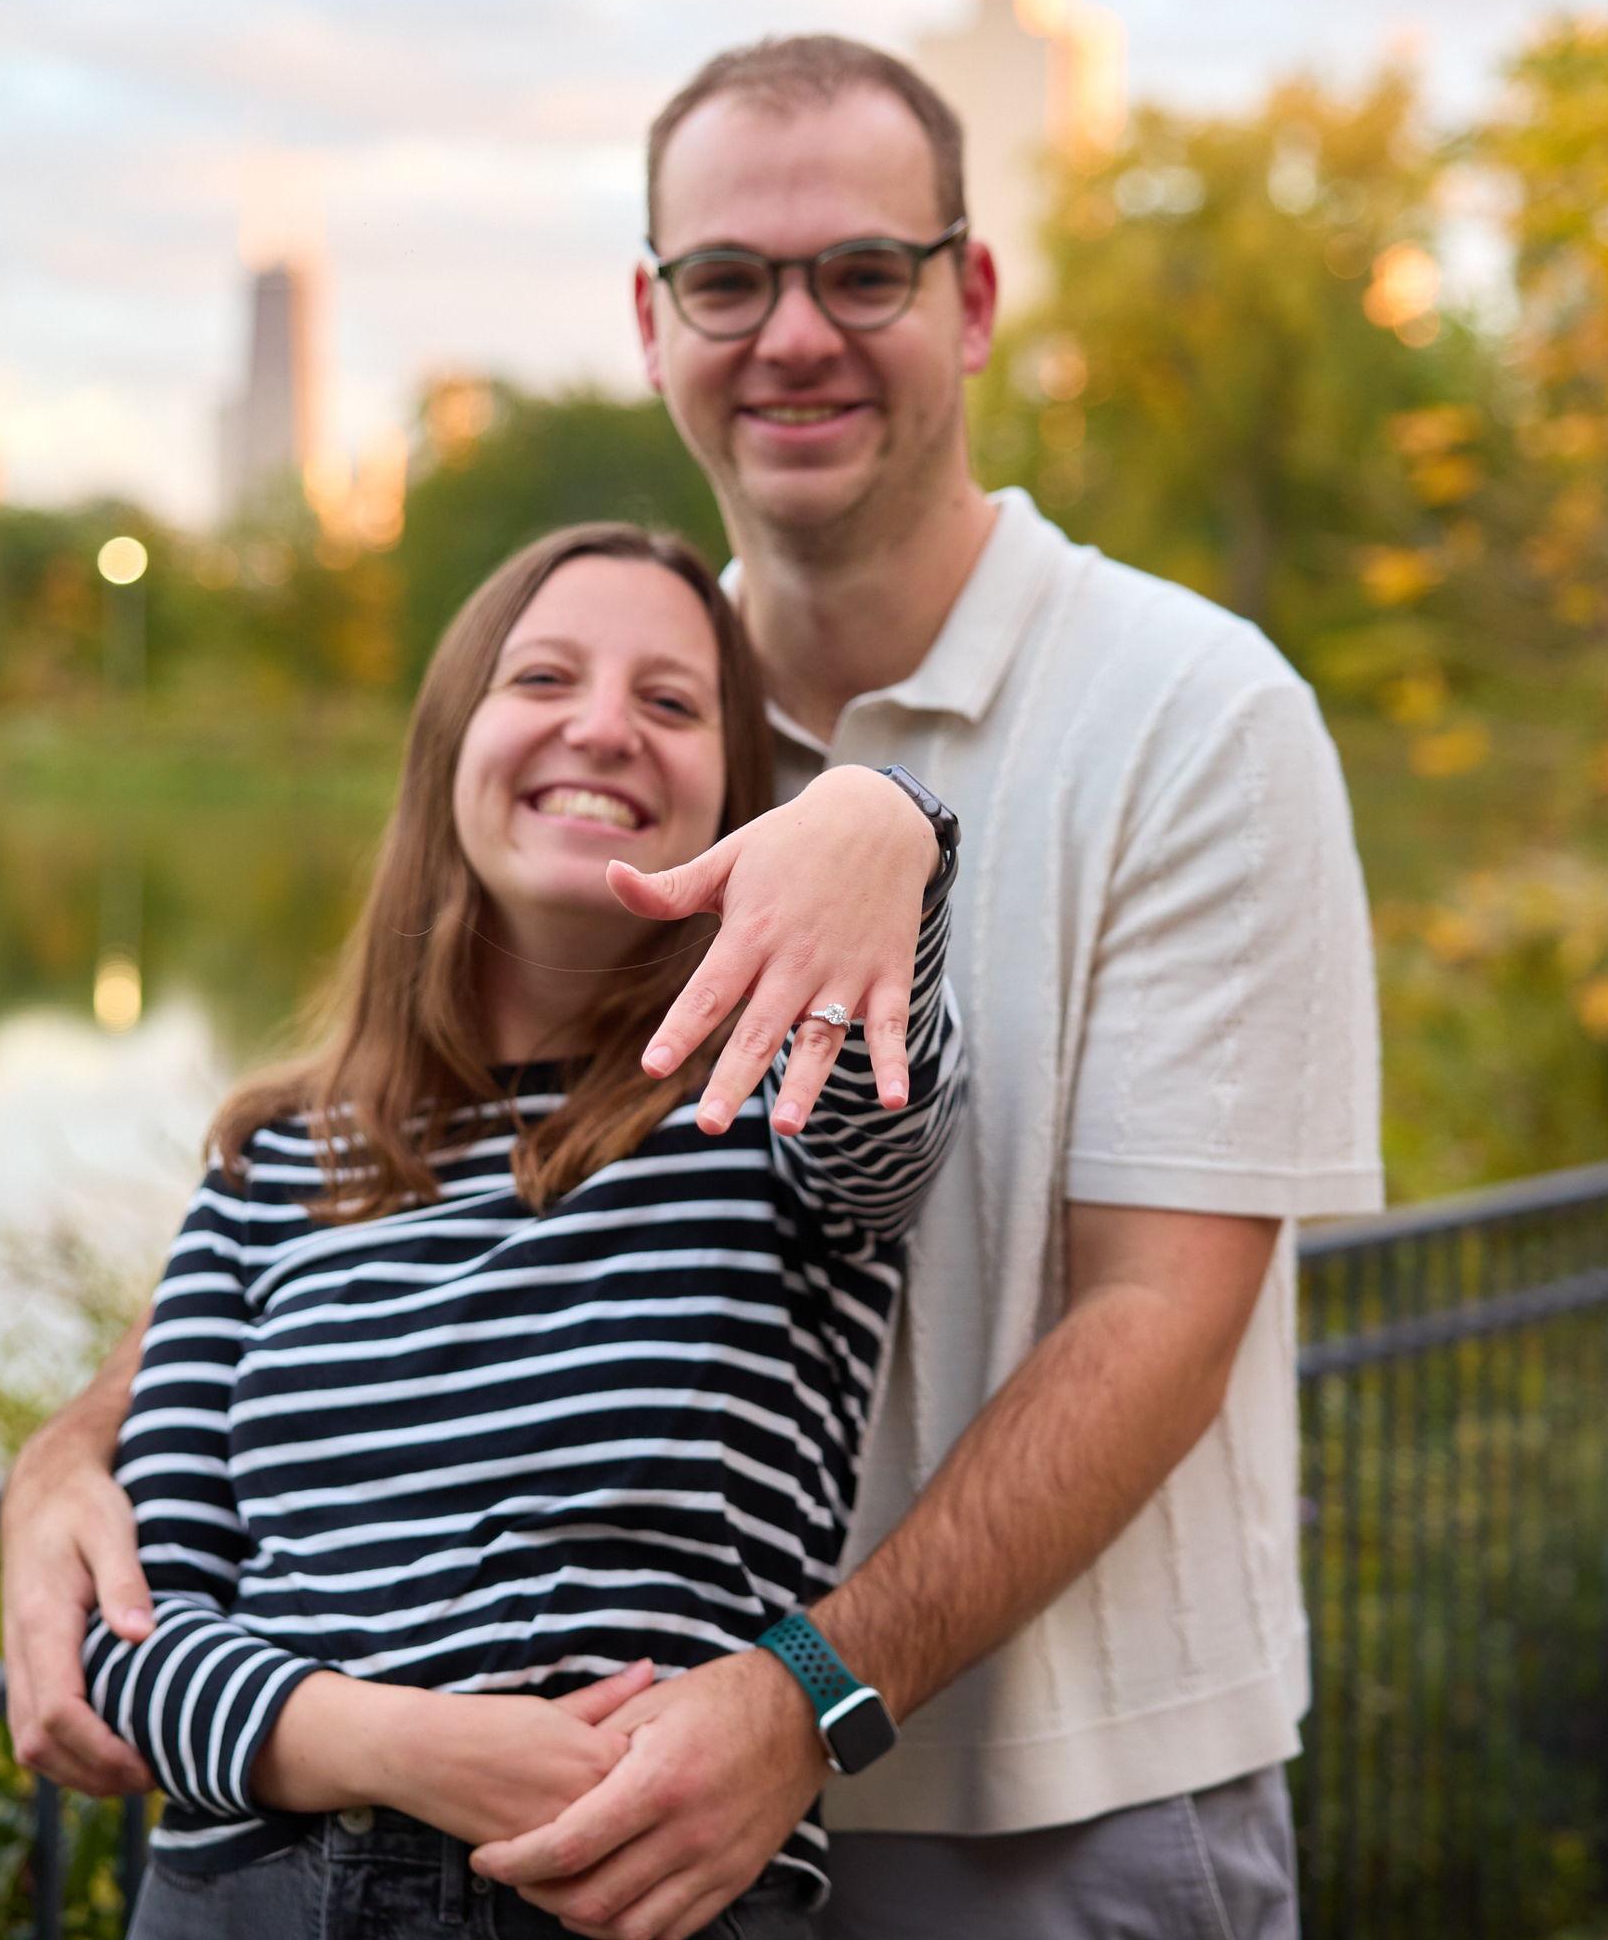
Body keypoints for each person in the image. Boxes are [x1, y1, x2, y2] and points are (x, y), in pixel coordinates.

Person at [5, 36, 1383, 1940]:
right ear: (652, 323)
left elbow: (1157, 1316)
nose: (791, 334)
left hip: (1052, 1809)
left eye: (862, 272)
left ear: (968, 299)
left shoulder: (1193, 712)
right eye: (728, 280)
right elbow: (392, 1190)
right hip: (599, 1825)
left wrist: (803, 1702)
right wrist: (74, 1448)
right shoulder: (623, 706)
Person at [70, 520, 964, 1940]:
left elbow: (884, 1044)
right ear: (449, 747)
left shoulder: (774, 1100)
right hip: (259, 1895)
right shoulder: (273, 1158)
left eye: (670, 704)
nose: (603, 729)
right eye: (543, 678)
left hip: (643, 1898)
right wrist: (405, 1745)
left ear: (737, 797)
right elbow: (133, 1641)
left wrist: (880, 813)